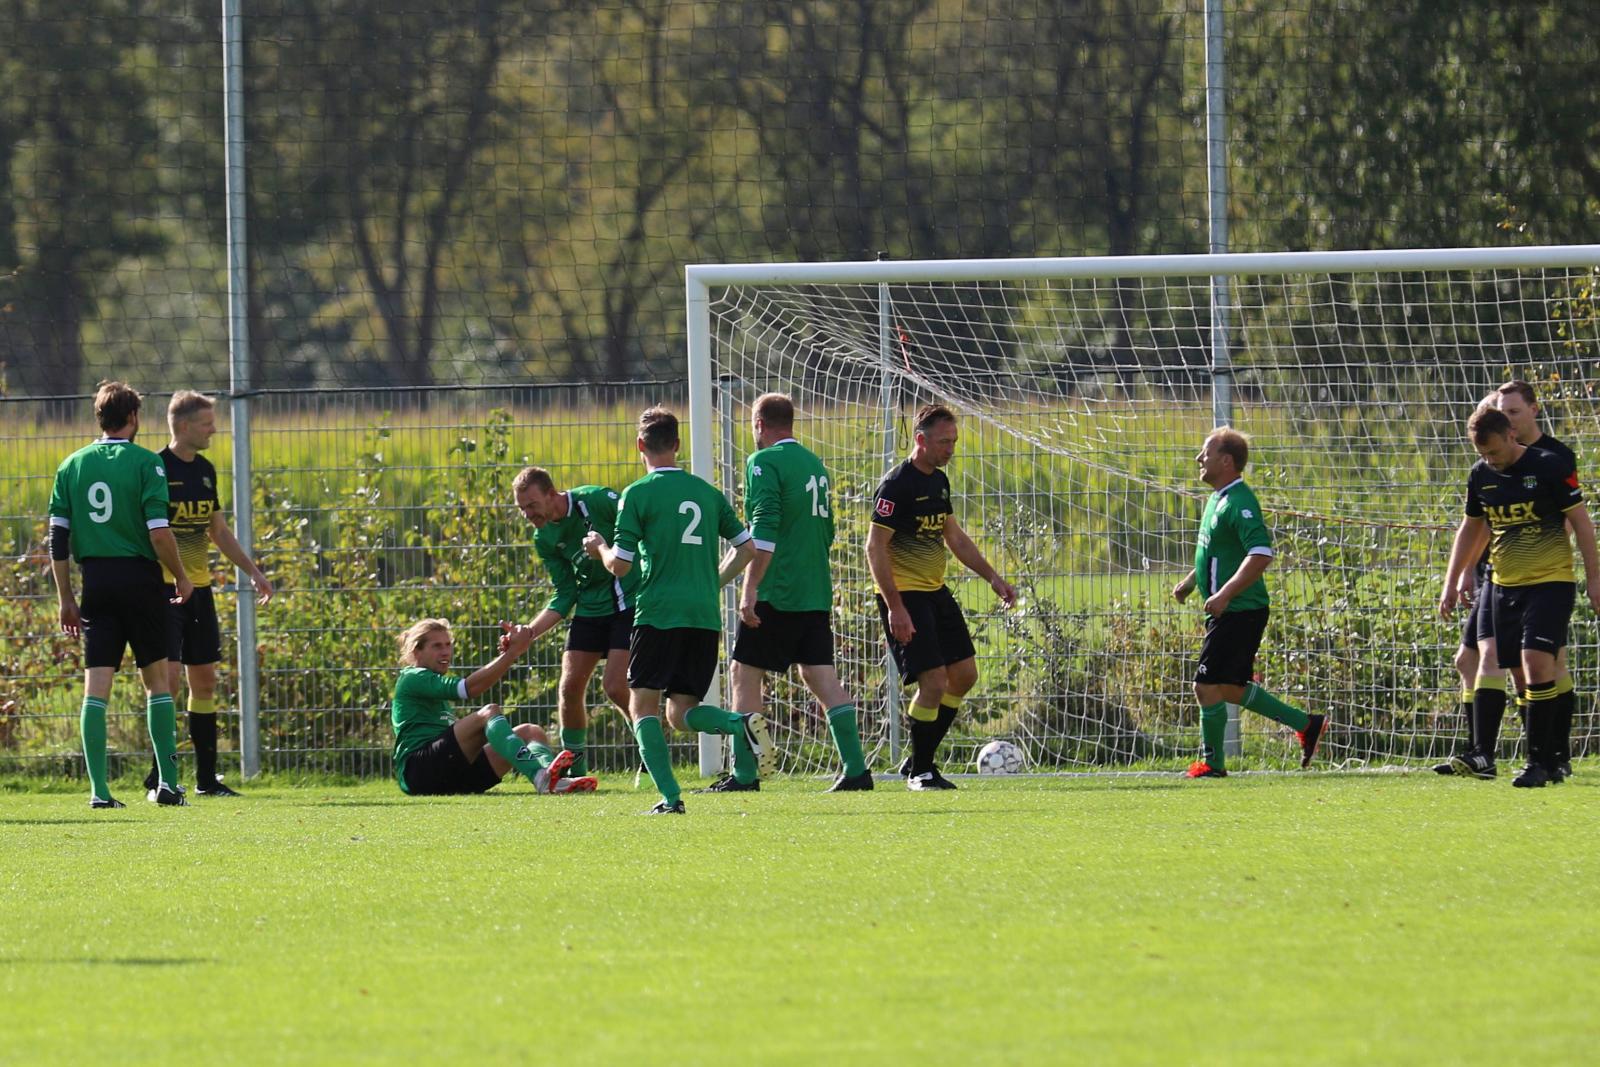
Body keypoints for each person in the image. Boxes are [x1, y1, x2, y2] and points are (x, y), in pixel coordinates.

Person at [583, 406, 769, 814]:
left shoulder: (638, 494)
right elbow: (748, 549)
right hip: (702, 616)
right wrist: (711, 583)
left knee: (642, 705)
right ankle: (738, 724)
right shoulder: (707, 492)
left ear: (640, 446)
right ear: (678, 445)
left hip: (658, 613)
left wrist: (598, 548)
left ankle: (670, 798)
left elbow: (621, 565)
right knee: (681, 711)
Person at [48, 381, 195, 808]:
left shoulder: (71, 465)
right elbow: (159, 533)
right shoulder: (148, 463)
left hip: (95, 582)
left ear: (100, 417)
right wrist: (181, 575)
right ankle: (167, 784)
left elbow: (58, 539)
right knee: (157, 683)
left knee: (96, 688)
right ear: (133, 418)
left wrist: (66, 598)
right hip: (140, 582)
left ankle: (99, 792)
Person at [1440, 405, 1600, 788]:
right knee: (1516, 673)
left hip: (1551, 581)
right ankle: (1531, 757)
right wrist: (1452, 580)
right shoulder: (1481, 476)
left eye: (1494, 452)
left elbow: (1581, 523)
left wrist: (1594, 579)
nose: (1490, 460)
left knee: (1536, 663)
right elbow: (1470, 528)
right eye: (1482, 454)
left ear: (1512, 435)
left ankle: (1539, 762)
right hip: (1504, 585)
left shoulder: (1548, 466)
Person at [721, 393, 871, 793]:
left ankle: (744, 772)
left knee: (743, 673)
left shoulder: (763, 462)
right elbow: (828, 531)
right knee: (819, 674)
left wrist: (750, 589)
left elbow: (764, 531)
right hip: (815, 589)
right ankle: (857, 770)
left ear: (758, 424)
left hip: (778, 589)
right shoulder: (814, 464)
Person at [866, 404, 1016, 791]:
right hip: (905, 596)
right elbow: (875, 548)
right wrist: (895, 607)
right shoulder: (897, 486)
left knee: (964, 676)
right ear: (921, 439)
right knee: (932, 682)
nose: (950, 448)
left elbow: (954, 537)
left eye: (954, 441)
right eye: (943, 441)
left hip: (935, 592)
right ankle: (921, 771)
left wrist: (994, 578)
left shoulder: (939, 481)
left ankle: (918, 759)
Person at [137, 391, 273, 799]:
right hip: (162, 590)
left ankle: (206, 780)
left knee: (206, 681)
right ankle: (161, 773)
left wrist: (253, 572)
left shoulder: (207, 470)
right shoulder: (155, 468)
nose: (214, 429)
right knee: (170, 683)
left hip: (200, 591)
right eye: (206, 423)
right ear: (182, 426)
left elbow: (217, 531)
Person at [1172, 427, 1325, 778]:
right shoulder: (1218, 499)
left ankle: (1212, 764)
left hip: (1241, 610)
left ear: (1226, 461)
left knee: (1205, 686)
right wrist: (1191, 582)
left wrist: (1225, 593)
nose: (1199, 458)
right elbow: (1218, 551)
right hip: (1229, 609)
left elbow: (1260, 554)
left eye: (1205, 453)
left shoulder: (1240, 502)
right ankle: (1306, 724)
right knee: (1229, 688)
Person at [512, 466, 638, 776]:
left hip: (628, 602)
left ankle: (651, 753)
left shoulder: (596, 500)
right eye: (522, 508)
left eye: (532, 505)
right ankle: (575, 771)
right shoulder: (543, 538)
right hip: (590, 609)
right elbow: (565, 594)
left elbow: (639, 525)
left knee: (615, 686)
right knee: (569, 689)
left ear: (552, 494)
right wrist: (529, 632)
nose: (528, 514)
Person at [391, 618, 595, 796]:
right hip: (418, 772)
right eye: (437, 646)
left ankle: (552, 779)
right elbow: (469, 688)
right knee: (488, 712)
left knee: (531, 732)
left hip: (452, 775)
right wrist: (511, 654)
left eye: (448, 644)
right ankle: (540, 777)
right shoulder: (413, 677)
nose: (446, 651)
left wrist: (509, 654)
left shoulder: (429, 680)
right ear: (416, 651)